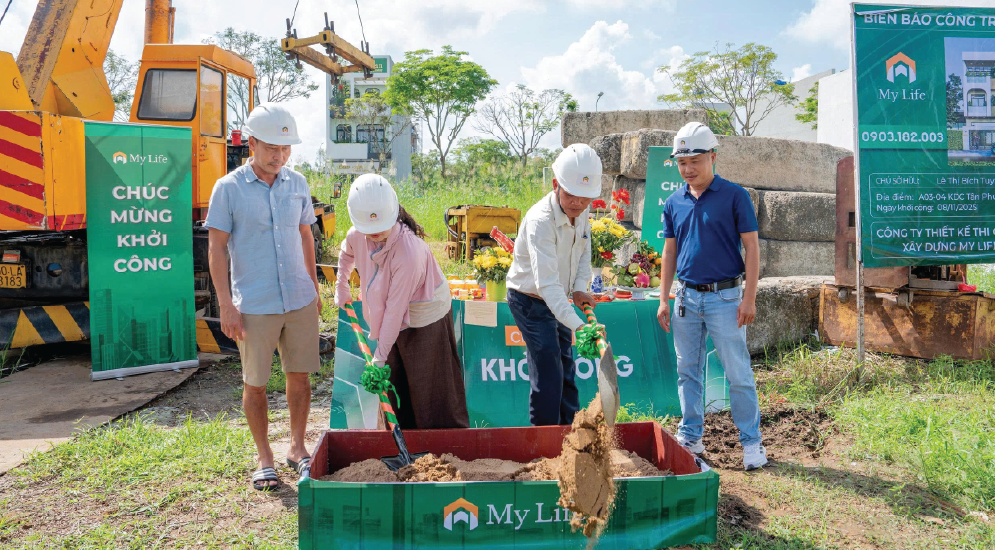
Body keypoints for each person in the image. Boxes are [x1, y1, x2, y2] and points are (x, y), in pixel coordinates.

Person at [205, 103, 322, 490]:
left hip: (299, 298)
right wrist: (226, 304)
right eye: (272, 147)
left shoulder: (298, 183)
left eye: (286, 149)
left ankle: (296, 446)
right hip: (254, 302)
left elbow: (306, 235)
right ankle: (264, 457)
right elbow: (217, 248)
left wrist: (314, 287)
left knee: (299, 377)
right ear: (252, 143)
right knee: (255, 382)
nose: (280, 156)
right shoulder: (228, 188)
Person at [656, 122, 767, 470]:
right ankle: (691, 435)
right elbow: (670, 252)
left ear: (713, 157)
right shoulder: (675, 202)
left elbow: (752, 249)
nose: (688, 169)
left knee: (738, 372)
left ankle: (752, 443)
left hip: (726, 299)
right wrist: (663, 297)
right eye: (682, 162)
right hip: (686, 300)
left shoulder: (735, 196)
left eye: (695, 161)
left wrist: (748, 298)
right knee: (688, 371)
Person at [335, 174, 469, 429]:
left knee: (429, 386)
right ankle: (402, 440)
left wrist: (379, 357)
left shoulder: (408, 252)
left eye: (380, 227)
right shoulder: (358, 234)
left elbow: (395, 313)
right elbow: (346, 252)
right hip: (387, 314)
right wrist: (341, 285)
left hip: (425, 315)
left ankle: (443, 447)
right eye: (368, 229)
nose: (374, 233)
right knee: (394, 383)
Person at [506, 144, 600, 426]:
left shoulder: (582, 212)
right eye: (571, 195)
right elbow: (546, 285)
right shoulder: (540, 221)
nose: (577, 204)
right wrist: (581, 326)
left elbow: (584, 253)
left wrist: (581, 287)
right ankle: (544, 440)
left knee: (566, 366)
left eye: (585, 199)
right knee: (548, 368)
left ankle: (572, 432)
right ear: (555, 184)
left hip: (558, 299)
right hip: (530, 299)